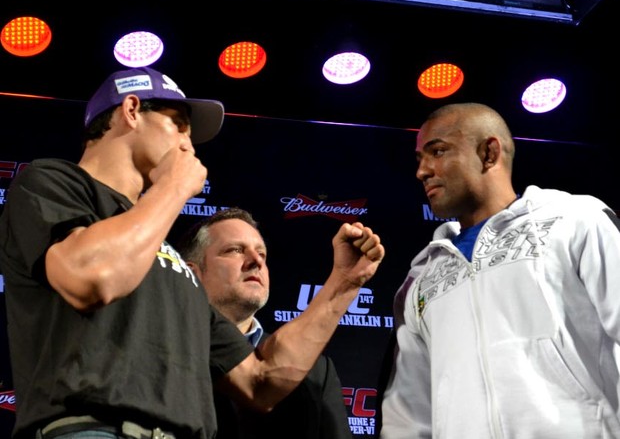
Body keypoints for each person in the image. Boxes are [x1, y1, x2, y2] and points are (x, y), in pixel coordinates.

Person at [0, 66, 385, 439]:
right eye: (178, 124)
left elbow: (260, 381)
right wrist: (173, 187)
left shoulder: (172, 263)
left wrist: (344, 285)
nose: (188, 143)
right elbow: (91, 278)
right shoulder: (52, 182)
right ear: (132, 111)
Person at [378, 102, 620, 438]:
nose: (423, 171)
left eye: (438, 151)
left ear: (489, 153)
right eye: (420, 159)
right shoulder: (421, 279)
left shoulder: (575, 221)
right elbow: (407, 413)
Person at [177, 207, 353, 439]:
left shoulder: (314, 371)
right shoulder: (165, 350)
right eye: (234, 250)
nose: (255, 261)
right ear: (192, 274)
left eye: (262, 253)